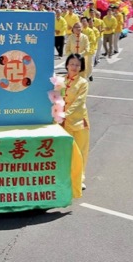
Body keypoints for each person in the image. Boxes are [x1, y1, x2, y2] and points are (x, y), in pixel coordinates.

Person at [61, 54, 90, 190]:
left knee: (80, 151)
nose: (74, 67)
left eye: (77, 65)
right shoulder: (60, 81)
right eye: (71, 64)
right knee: (65, 151)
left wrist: (65, 114)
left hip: (78, 122)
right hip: (61, 123)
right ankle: (66, 176)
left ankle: (80, 178)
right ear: (66, 65)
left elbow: (79, 102)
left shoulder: (83, 83)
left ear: (81, 67)